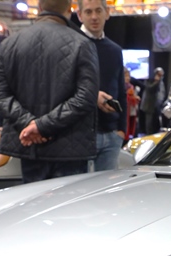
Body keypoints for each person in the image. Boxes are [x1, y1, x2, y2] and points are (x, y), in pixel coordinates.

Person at [0, 0, 98, 182]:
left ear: (39, 8)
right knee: (69, 200)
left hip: (29, 144)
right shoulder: (83, 44)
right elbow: (86, 98)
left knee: (34, 200)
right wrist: (40, 126)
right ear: (69, 9)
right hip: (69, 147)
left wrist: (30, 124)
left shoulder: (10, 43)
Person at [78, 0, 127, 172]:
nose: (94, 17)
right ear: (80, 15)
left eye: (98, 11)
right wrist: (93, 96)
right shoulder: (73, 45)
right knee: (80, 186)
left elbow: (121, 90)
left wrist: (121, 130)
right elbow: (63, 87)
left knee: (107, 188)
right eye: (88, 12)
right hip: (81, 135)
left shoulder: (115, 50)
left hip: (111, 136)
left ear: (107, 13)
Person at [140, 67, 166, 135]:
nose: (160, 77)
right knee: (149, 124)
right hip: (149, 106)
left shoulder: (161, 82)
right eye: (159, 75)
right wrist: (157, 81)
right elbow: (150, 88)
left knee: (155, 124)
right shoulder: (149, 80)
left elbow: (162, 93)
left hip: (156, 106)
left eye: (161, 75)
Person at [124, 68, 140, 140]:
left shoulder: (131, 86)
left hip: (132, 110)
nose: (128, 78)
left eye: (129, 76)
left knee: (132, 125)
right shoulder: (121, 87)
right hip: (125, 111)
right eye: (126, 76)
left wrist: (135, 98)